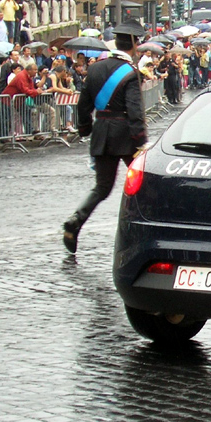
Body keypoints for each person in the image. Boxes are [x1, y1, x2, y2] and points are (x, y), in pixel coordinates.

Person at [63, 19, 148, 254]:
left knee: (101, 188)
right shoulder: (130, 72)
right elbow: (134, 110)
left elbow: (83, 105)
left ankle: (75, 221)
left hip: (102, 133)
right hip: (126, 137)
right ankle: (142, 231)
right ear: (133, 45)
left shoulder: (96, 68)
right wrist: (141, 141)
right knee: (145, 183)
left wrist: (85, 129)